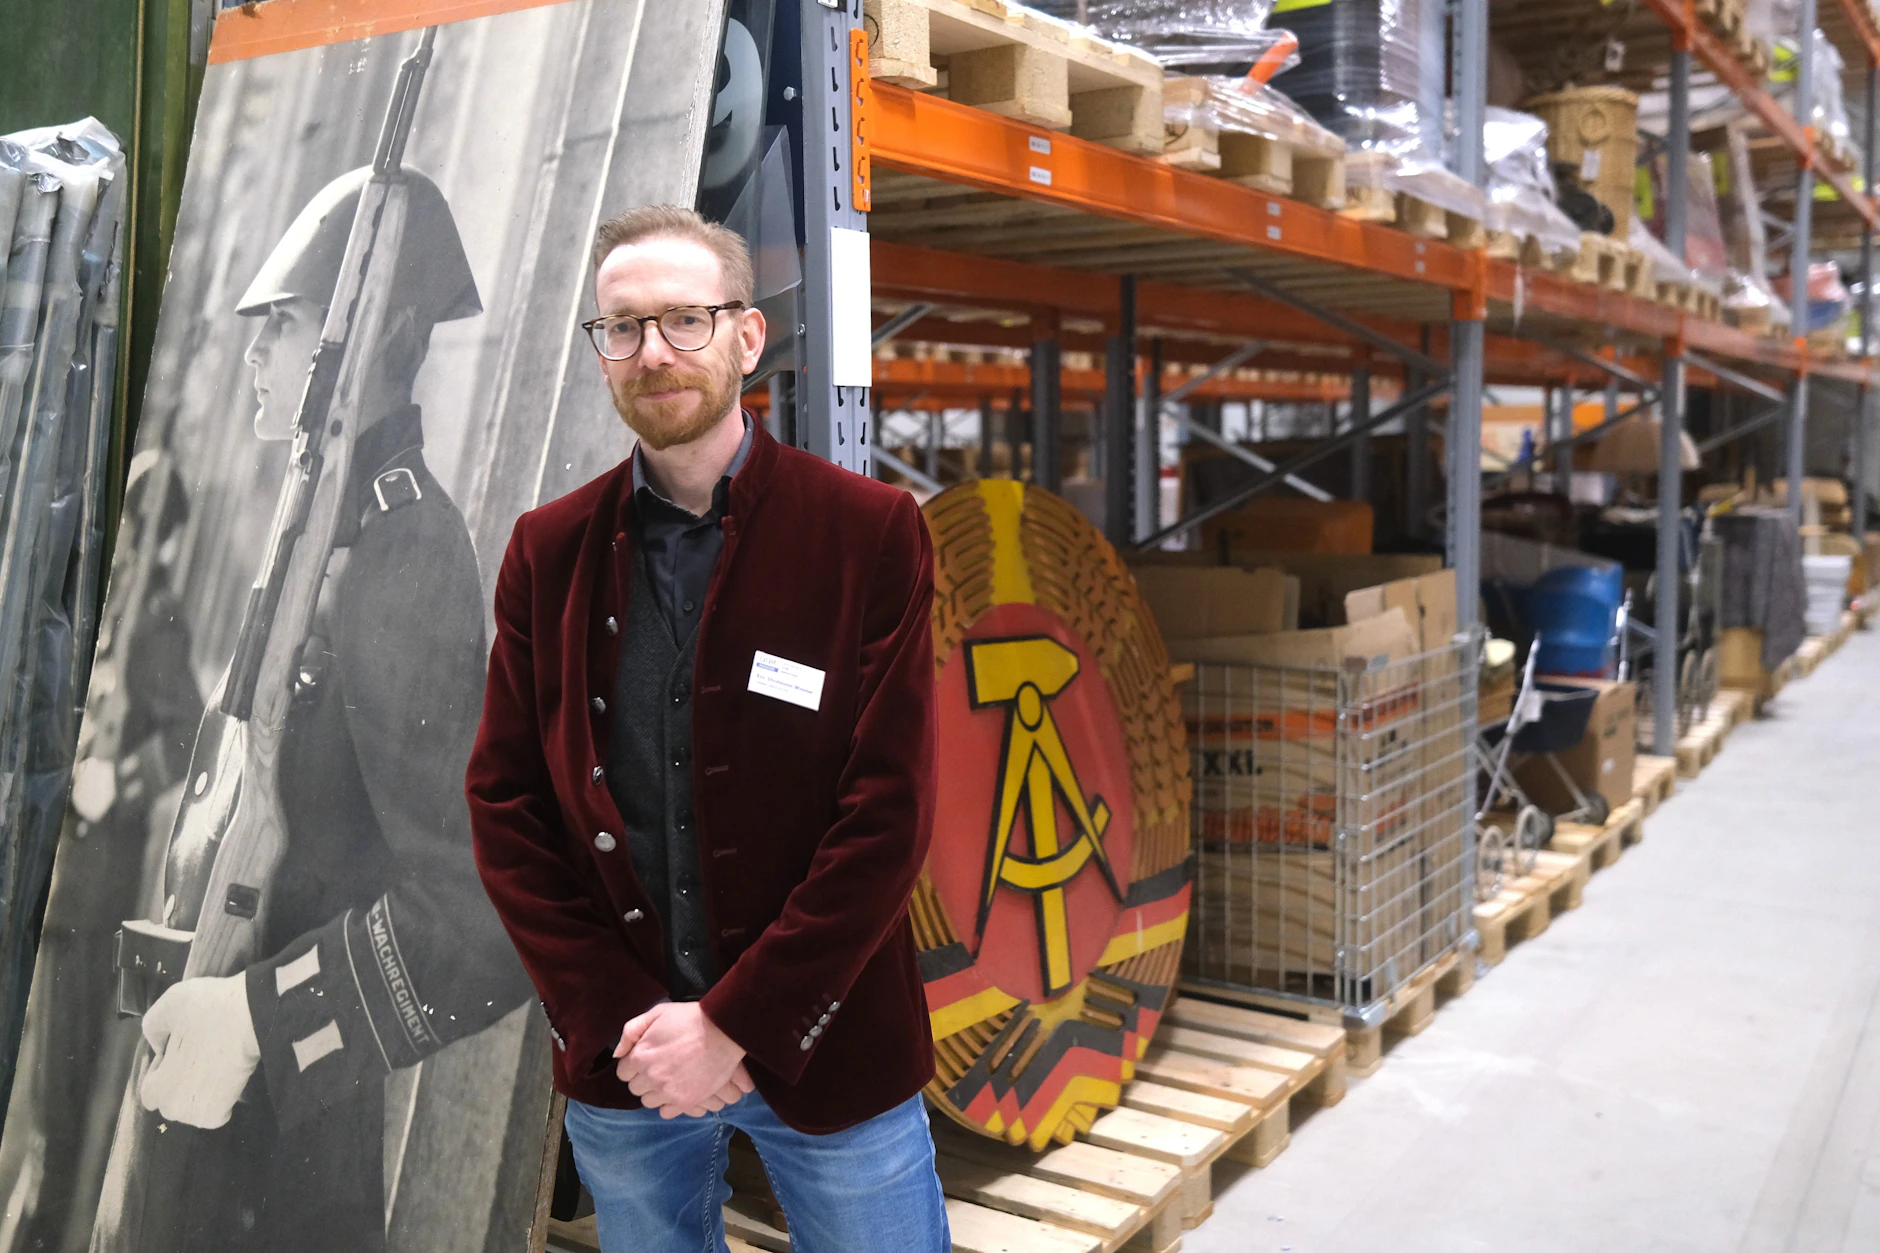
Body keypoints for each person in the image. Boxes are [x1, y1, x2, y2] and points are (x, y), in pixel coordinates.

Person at [466, 204, 948, 1253]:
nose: (654, 352)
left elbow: (888, 814)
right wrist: (623, 1018)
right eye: (623, 327)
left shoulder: (867, 534)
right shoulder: (547, 552)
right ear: (601, 349)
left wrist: (734, 1024)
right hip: (630, 1056)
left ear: (746, 335)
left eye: (685, 319)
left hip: (831, 1045)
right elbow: (506, 806)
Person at [106, 167, 532, 1252]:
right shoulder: (318, 515)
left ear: (373, 334)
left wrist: (259, 1019)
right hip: (190, 1107)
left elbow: (486, 913)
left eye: (284, 323)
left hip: (276, 1152)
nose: (253, 349)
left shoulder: (403, 551)